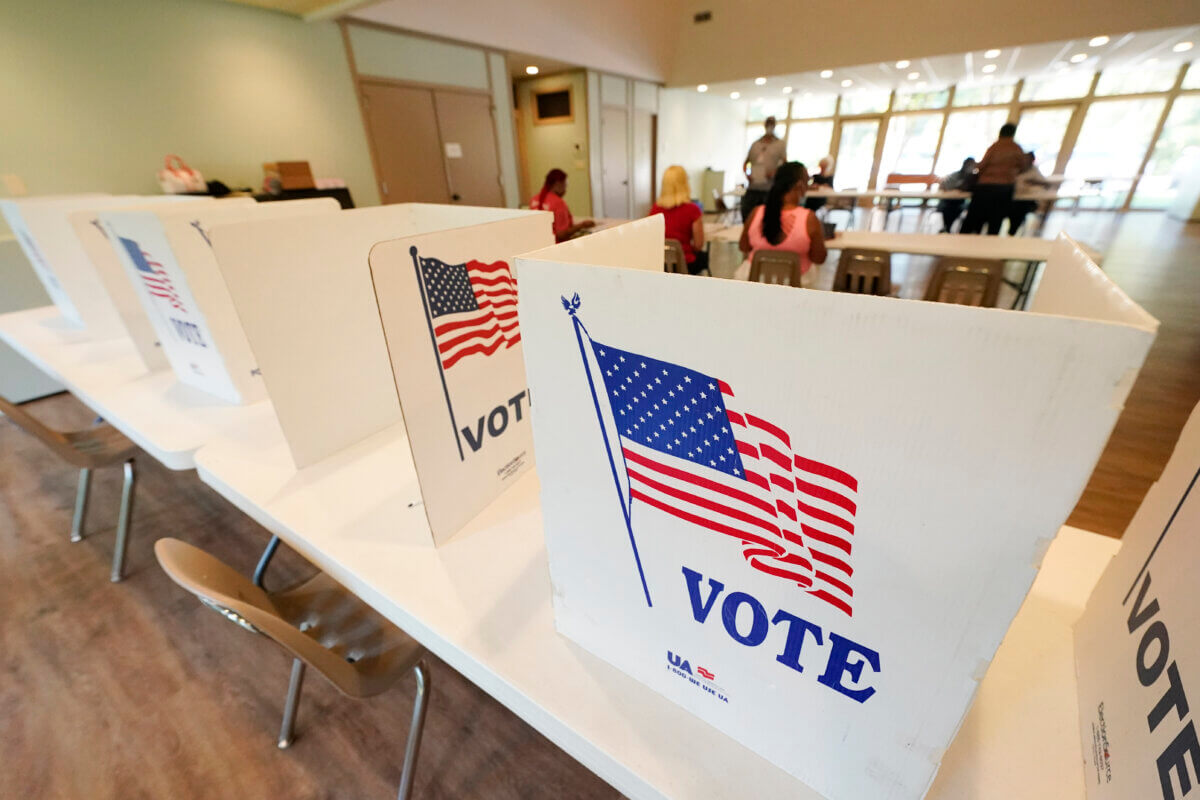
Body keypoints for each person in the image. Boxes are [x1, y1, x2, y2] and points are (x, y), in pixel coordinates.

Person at [738, 161, 828, 286]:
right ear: (800, 185)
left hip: (756, 284)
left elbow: (744, 247)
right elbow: (819, 258)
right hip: (795, 288)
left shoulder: (756, 212)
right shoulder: (809, 219)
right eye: (808, 183)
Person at [961, 123, 1025, 235]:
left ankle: (964, 244)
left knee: (974, 218)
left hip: (985, 187)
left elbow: (981, 166)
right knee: (996, 220)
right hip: (1004, 189)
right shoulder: (1016, 148)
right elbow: (1023, 167)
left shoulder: (995, 147)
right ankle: (989, 247)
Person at [649, 165, 708, 275]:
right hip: (685, 264)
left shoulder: (655, 209)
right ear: (684, 183)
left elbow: (651, 238)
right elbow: (698, 245)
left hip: (661, 263)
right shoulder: (693, 210)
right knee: (703, 257)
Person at [741, 116, 787, 223]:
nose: (769, 126)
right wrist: (747, 174)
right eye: (768, 124)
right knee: (748, 215)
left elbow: (784, 164)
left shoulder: (779, 144)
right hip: (754, 186)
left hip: (769, 188)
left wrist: (774, 173)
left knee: (767, 219)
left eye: (771, 124)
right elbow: (746, 162)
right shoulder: (756, 144)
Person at [530, 168, 594, 242]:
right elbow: (561, 235)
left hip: (540, 243)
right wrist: (582, 225)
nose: (565, 189)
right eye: (565, 185)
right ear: (558, 183)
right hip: (556, 245)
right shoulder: (558, 202)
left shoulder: (534, 199)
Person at [1008, 151, 1052, 236]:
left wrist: (1033, 182)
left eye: (1027, 159)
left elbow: (1046, 183)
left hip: (1026, 199)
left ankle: (1011, 232)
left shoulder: (1034, 170)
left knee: (1019, 209)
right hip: (1011, 197)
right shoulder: (1014, 169)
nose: (1024, 161)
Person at [937, 157, 977, 233]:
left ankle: (947, 227)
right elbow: (944, 186)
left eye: (971, 165)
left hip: (960, 202)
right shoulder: (955, 175)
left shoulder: (973, 178)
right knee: (947, 208)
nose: (969, 167)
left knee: (955, 208)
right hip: (948, 200)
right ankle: (947, 227)